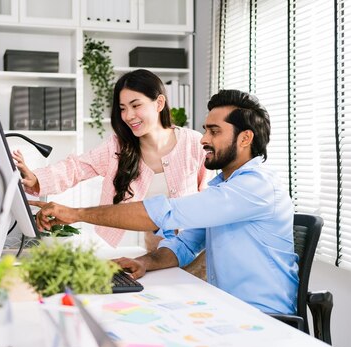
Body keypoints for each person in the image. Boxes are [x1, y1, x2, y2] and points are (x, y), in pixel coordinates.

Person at [31, 89, 298, 315]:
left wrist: (76, 213)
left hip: (261, 317)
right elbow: (184, 243)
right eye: (205, 130)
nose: (204, 139)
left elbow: (164, 213)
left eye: (214, 131)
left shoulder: (255, 187)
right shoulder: (224, 188)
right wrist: (146, 262)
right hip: (225, 308)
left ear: (245, 138)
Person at [13, 69, 214, 251]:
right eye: (123, 108)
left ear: (159, 103)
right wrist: (37, 178)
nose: (128, 116)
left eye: (136, 105)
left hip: (195, 250)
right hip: (155, 251)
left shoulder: (194, 143)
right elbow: (78, 167)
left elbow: (209, 200)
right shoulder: (118, 147)